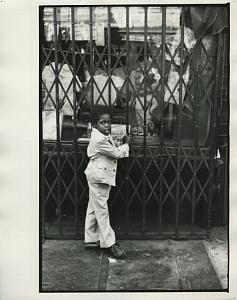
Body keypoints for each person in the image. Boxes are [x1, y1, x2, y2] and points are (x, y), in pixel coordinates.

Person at [84, 106, 130, 259]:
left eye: (108, 122)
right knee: (102, 210)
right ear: (95, 124)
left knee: (94, 206)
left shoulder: (102, 134)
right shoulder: (98, 139)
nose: (107, 125)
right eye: (102, 122)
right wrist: (126, 145)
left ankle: (91, 239)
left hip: (98, 175)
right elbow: (115, 153)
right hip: (99, 178)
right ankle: (110, 243)